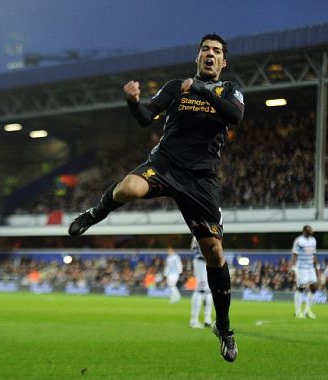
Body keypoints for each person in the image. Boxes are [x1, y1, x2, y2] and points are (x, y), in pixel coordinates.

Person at [68, 33, 244, 361]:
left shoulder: (229, 90)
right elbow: (146, 118)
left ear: (223, 62)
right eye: (205, 49)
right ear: (197, 57)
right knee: (128, 188)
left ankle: (224, 326)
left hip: (200, 179)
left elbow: (235, 117)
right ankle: (95, 213)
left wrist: (203, 89)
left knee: (214, 252)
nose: (210, 54)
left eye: (216, 51)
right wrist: (133, 102)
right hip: (164, 165)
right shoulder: (177, 86)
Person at [291, 225, 318, 319]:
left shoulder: (313, 240)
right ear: (304, 231)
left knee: (314, 288)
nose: (312, 231)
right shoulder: (299, 241)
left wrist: (316, 266)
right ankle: (298, 312)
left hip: (310, 268)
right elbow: (294, 254)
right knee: (301, 288)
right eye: (309, 230)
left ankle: (307, 311)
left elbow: (314, 254)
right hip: (301, 268)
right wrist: (293, 267)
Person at [189, 236, 213, 328]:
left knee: (208, 291)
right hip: (201, 260)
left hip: (207, 261)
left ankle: (207, 319)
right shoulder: (203, 227)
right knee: (201, 289)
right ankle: (194, 320)